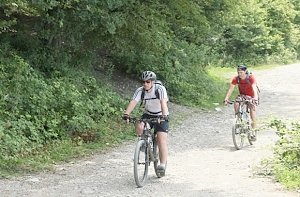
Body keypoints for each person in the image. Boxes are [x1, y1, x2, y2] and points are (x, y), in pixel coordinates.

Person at [122, 71, 169, 176]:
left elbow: (163, 103)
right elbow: (133, 102)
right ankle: (144, 145)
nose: (145, 84)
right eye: (143, 82)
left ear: (153, 82)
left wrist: (164, 116)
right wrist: (126, 114)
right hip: (148, 114)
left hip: (161, 114)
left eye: (148, 82)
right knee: (139, 126)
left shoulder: (159, 89)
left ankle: (162, 164)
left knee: (161, 139)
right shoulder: (140, 91)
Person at [224, 64, 259, 138]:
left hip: (252, 96)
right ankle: (239, 120)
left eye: (241, 72)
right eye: (238, 72)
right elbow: (231, 89)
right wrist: (226, 98)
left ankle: (253, 131)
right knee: (236, 103)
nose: (239, 74)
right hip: (243, 95)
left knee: (252, 112)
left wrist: (255, 97)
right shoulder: (236, 79)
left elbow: (254, 87)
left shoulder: (250, 78)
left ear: (245, 71)